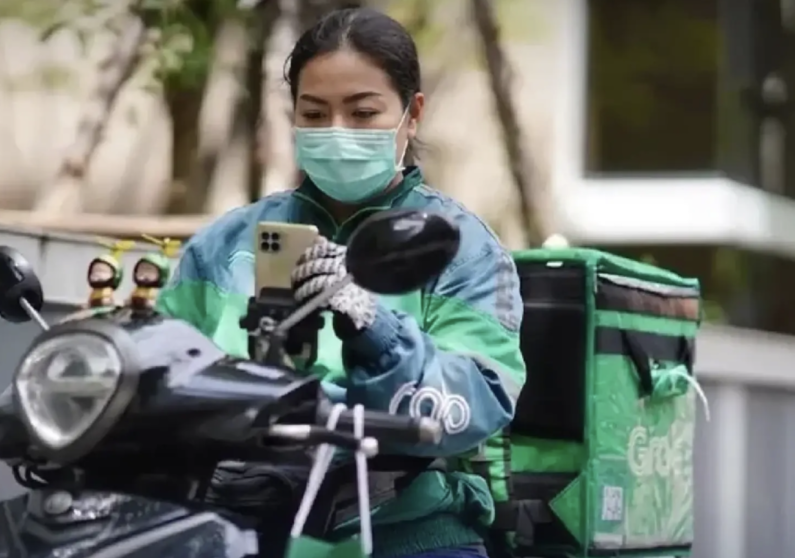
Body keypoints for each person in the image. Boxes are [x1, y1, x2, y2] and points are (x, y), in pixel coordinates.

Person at [157, 7, 526, 558]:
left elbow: (478, 400)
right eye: (314, 112)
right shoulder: (224, 244)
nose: (337, 131)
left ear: (412, 114)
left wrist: (376, 329)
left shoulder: (457, 247)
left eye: (363, 112)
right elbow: (161, 370)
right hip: (234, 526)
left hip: (405, 531)